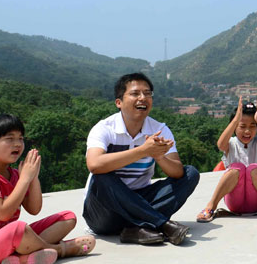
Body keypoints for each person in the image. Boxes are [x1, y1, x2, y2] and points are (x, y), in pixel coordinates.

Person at [0, 114, 95, 264]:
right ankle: (61, 250)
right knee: (18, 229)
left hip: (11, 241)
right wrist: (24, 179)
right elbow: (3, 213)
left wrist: (33, 178)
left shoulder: (15, 175)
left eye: (20, 138)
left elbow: (34, 209)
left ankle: (21, 260)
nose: (17, 144)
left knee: (68, 217)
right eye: (9, 139)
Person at [82, 73, 199, 245]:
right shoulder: (104, 129)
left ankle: (135, 229)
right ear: (119, 102)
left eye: (148, 93)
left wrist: (159, 156)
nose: (143, 98)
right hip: (105, 214)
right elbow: (94, 165)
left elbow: (177, 172)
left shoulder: (159, 129)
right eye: (135, 93)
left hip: (141, 198)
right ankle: (162, 223)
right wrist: (143, 151)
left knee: (191, 174)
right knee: (102, 175)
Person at [196, 98, 257, 221]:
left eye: (253, 126)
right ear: (235, 127)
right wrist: (236, 119)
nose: (247, 131)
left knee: (254, 169)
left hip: (256, 200)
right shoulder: (231, 143)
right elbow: (220, 145)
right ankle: (211, 206)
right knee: (237, 168)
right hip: (234, 201)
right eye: (242, 126)